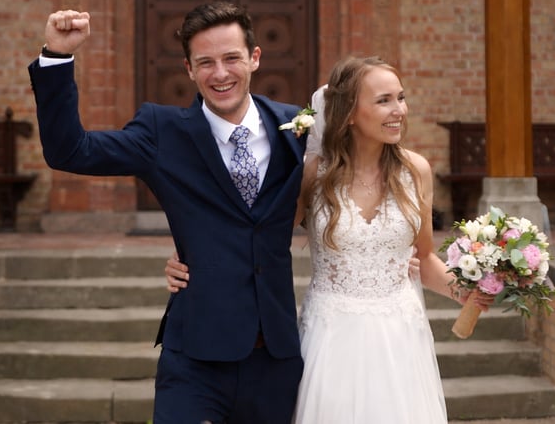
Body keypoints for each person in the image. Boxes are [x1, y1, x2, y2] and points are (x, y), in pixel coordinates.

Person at [166, 56, 494, 422]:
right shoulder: (313, 175)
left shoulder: (416, 170)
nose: (399, 110)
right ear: (349, 112)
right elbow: (256, 241)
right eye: (383, 100)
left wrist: (467, 290)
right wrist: (188, 259)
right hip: (332, 336)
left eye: (400, 98)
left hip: (401, 336)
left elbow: (426, 258)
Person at [28, 2, 307, 424]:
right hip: (195, 359)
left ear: (254, 57)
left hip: (276, 358)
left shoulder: (297, 126)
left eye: (231, 58)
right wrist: (57, 56)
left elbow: (358, 175)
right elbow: (70, 150)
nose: (220, 73)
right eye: (205, 62)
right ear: (189, 69)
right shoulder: (161, 132)